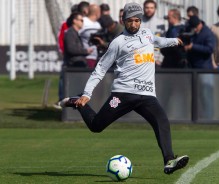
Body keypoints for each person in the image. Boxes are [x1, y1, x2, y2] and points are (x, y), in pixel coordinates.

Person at [59, 2, 189, 174]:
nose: (134, 24)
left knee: (162, 121)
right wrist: (87, 93)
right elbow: (101, 68)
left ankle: (169, 160)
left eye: (137, 20)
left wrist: (174, 41)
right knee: (96, 126)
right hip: (123, 94)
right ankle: (78, 102)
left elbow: (158, 41)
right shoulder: (118, 42)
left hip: (146, 95)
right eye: (130, 21)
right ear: (123, 20)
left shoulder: (147, 34)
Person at [141, 0, 166, 66]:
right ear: (143, 8)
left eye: (151, 8)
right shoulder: (138, 22)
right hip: (139, 60)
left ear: (155, 9)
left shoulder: (160, 23)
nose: (149, 10)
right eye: (147, 8)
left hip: (155, 61)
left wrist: (160, 59)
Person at [79, 3, 102, 69]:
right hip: (86, 57)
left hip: (96, 57)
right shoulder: (83, 22)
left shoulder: (98, 24)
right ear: (97, 13)